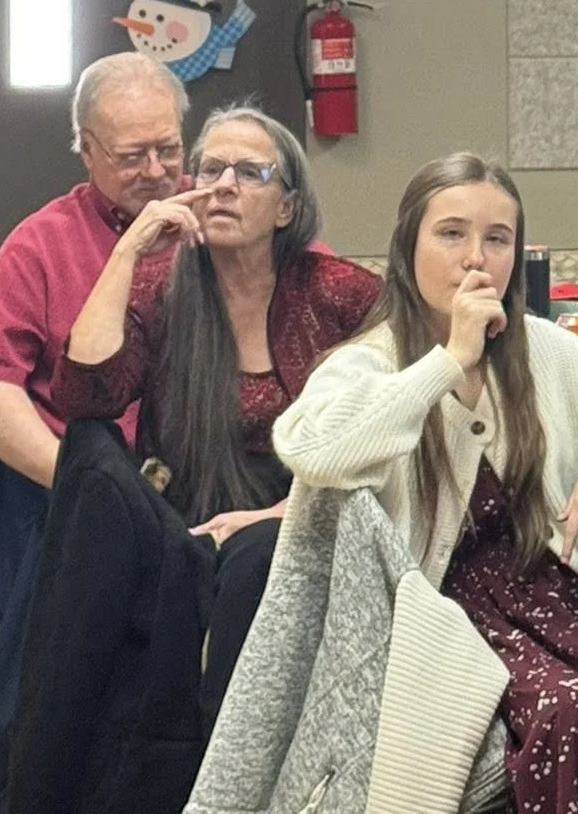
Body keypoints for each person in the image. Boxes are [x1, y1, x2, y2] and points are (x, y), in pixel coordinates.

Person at [273, 153, 578, 814]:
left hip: (564, 590)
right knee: (565, 711)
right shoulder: (370, 361)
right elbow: (312, 448)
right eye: (451, 233)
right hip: (451, 609)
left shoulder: (544, 349)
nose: (475, 257)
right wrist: (448, 358)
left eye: (497, 238)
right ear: (409, 246)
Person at [49, 104, 381, 716]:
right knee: (91, 470)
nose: (222, 185)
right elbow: (83, 398)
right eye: (210, 170)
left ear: (286, 206)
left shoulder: (342, 293)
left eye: (249, 172)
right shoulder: (162, 287)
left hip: (307, 514)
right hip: (186, 520)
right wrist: (127, 252)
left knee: (252, 563)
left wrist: (279, 513)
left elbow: (389, 436)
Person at [0, 52, 188, 483]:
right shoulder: (40, 244)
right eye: (132, 156)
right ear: (87, 151)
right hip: (81, 486)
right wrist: (78, 484)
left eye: (168, 149)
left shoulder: (224, 214)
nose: (155, 171)